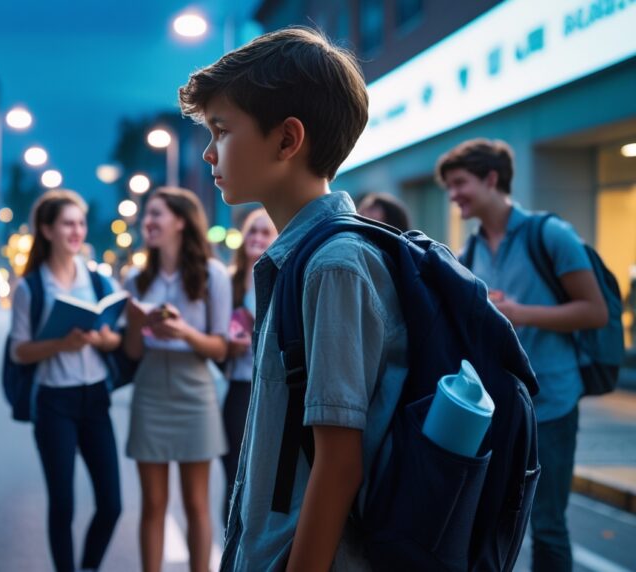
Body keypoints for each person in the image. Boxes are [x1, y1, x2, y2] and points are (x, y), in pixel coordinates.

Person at [179, 26, 409, 571]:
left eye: (221, 130)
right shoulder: (301, 258)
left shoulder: (333, 267)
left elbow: (338, 465)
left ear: (286, 140)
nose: (210, 152)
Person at [438, 138, 608, 572]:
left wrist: (517, 313)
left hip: (552, 403)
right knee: (492, 519)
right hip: (501, 407)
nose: (453, 195)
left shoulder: (549, 234)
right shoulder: (470, 252)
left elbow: (595, 311)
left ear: (492, 179)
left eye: (460, 183)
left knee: (547, 526)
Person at [9, 190, 123, 572]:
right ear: (46, 229)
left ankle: (88, 566)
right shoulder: (31, 288)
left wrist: (104, 339)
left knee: (112, 504)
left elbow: (114, 337)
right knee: (63, 505)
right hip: (54, 401)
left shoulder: (97, 280)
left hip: (95, 399)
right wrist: (61, 344)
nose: (76, 231)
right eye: (67, 223)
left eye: (80, 222)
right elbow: (19, 351)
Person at [122, 186, 231, 572]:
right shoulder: (136, 278)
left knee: (196, 503)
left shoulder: (213, 274)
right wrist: (135, 325)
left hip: (195, 388)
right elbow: (132, 352)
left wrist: (184, 331)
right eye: (146, 215)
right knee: (152, 503)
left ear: (181, 221)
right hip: (150, 385)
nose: (147, 222)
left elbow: (220, 348)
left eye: (156, 215)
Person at [220, 208, 276, 523]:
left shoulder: (284, 276)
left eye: (264, 232)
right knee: (232, 476)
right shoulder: (229, 282)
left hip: (271, 385)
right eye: (251, 232)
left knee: (264, 475)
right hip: (239, 386)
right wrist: (228, 344)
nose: (256, 238)